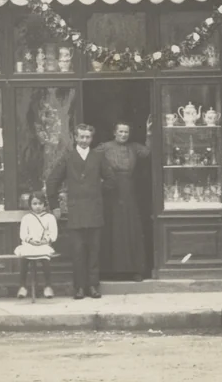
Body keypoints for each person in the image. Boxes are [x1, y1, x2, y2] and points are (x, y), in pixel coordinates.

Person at [47, 123, 114, 300]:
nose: (85, 140)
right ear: (76, 138)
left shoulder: (98, 157)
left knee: (94, 251)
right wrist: (55, 206)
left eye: (88, 137)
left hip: (94, 211)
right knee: (77, 251)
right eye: (81, 137)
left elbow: (111, 180)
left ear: (92, 139)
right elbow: (52, 181)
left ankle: (93, 286)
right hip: (75, 212)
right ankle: (79, 288)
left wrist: (98, 191)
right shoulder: (68, 157)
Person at [96, 119, 151, 281]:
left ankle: (134, 270)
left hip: (128, 191)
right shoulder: (104, 147)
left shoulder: (133, 147)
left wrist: (149, 133)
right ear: (114, 132)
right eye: (120, 131)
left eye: (126, 132)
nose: (123, 134)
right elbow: (90, 160)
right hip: (111, 192)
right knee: (112, 228)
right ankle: (110, 271)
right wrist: (98, 179)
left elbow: (148, 152)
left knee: (130, 228)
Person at [14, 191, 59, 299]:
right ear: (30, 205)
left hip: (43, 244)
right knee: (24, 258)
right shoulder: (27, 218)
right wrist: (30, 241)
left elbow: (53, 233)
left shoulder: (50, 218)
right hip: (29, 244)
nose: (37, 206)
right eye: (34, 204)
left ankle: (48, 286)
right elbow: (23, 234)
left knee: (45, 258)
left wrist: (45, 240)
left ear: (44, 204)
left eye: (40, 203)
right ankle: (23, 286)